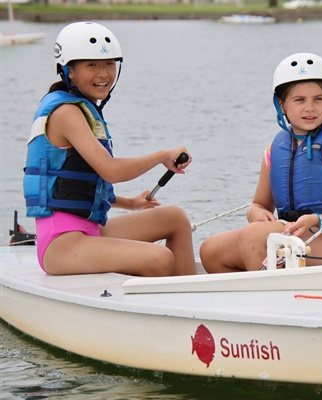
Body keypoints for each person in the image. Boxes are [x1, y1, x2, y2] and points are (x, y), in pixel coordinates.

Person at [23, 22, 196, 277]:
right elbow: (111, 171)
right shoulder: (66, 113)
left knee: (175, 219)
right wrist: (162, 156)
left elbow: (76, 183)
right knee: (159, 259)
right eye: (91, 65)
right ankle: (167, 313)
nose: (103, 74)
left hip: (89, 230)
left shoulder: (84, 109)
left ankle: (191, 303)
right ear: (69, 70)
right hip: (60, 243)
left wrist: (129, 202)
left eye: (108, 64)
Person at [200, 53, 322, 273]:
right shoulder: (274, 152)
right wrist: (255, 213)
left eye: (318, 99)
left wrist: (315, 220)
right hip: (292, 237)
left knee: (255, 237)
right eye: (299, 100)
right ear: (281, 104)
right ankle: (256, 297)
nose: (309, 107)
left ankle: (271, 298)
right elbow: (259, 204)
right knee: (211, 250)